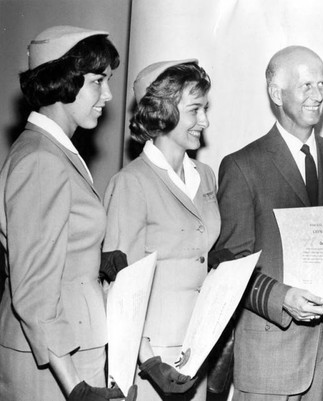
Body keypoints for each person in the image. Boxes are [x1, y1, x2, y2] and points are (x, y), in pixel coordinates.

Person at [215, 45, 323, 401]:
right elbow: (228, 265)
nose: (319, 96)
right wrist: (284, 298)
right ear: (276, 93)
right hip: (268, 362)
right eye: (307, 86)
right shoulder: (242, 166)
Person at [0, 26, 135, 401]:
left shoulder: (50, 150)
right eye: (98, 81)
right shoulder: (42, 160)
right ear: (64, 82)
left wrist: (92, 261)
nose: (108, 95)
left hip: (69, 352)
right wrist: (76, 387)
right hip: (54, 367)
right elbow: (33, 291)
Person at [103, 60, 219, 401]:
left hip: (197, 348)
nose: (205, 121)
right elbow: (120, 289)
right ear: (162, 111)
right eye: (195, 110)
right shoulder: (131, 183)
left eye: (205, 109)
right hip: (153, 360)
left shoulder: (206, 175)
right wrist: (149, 360)